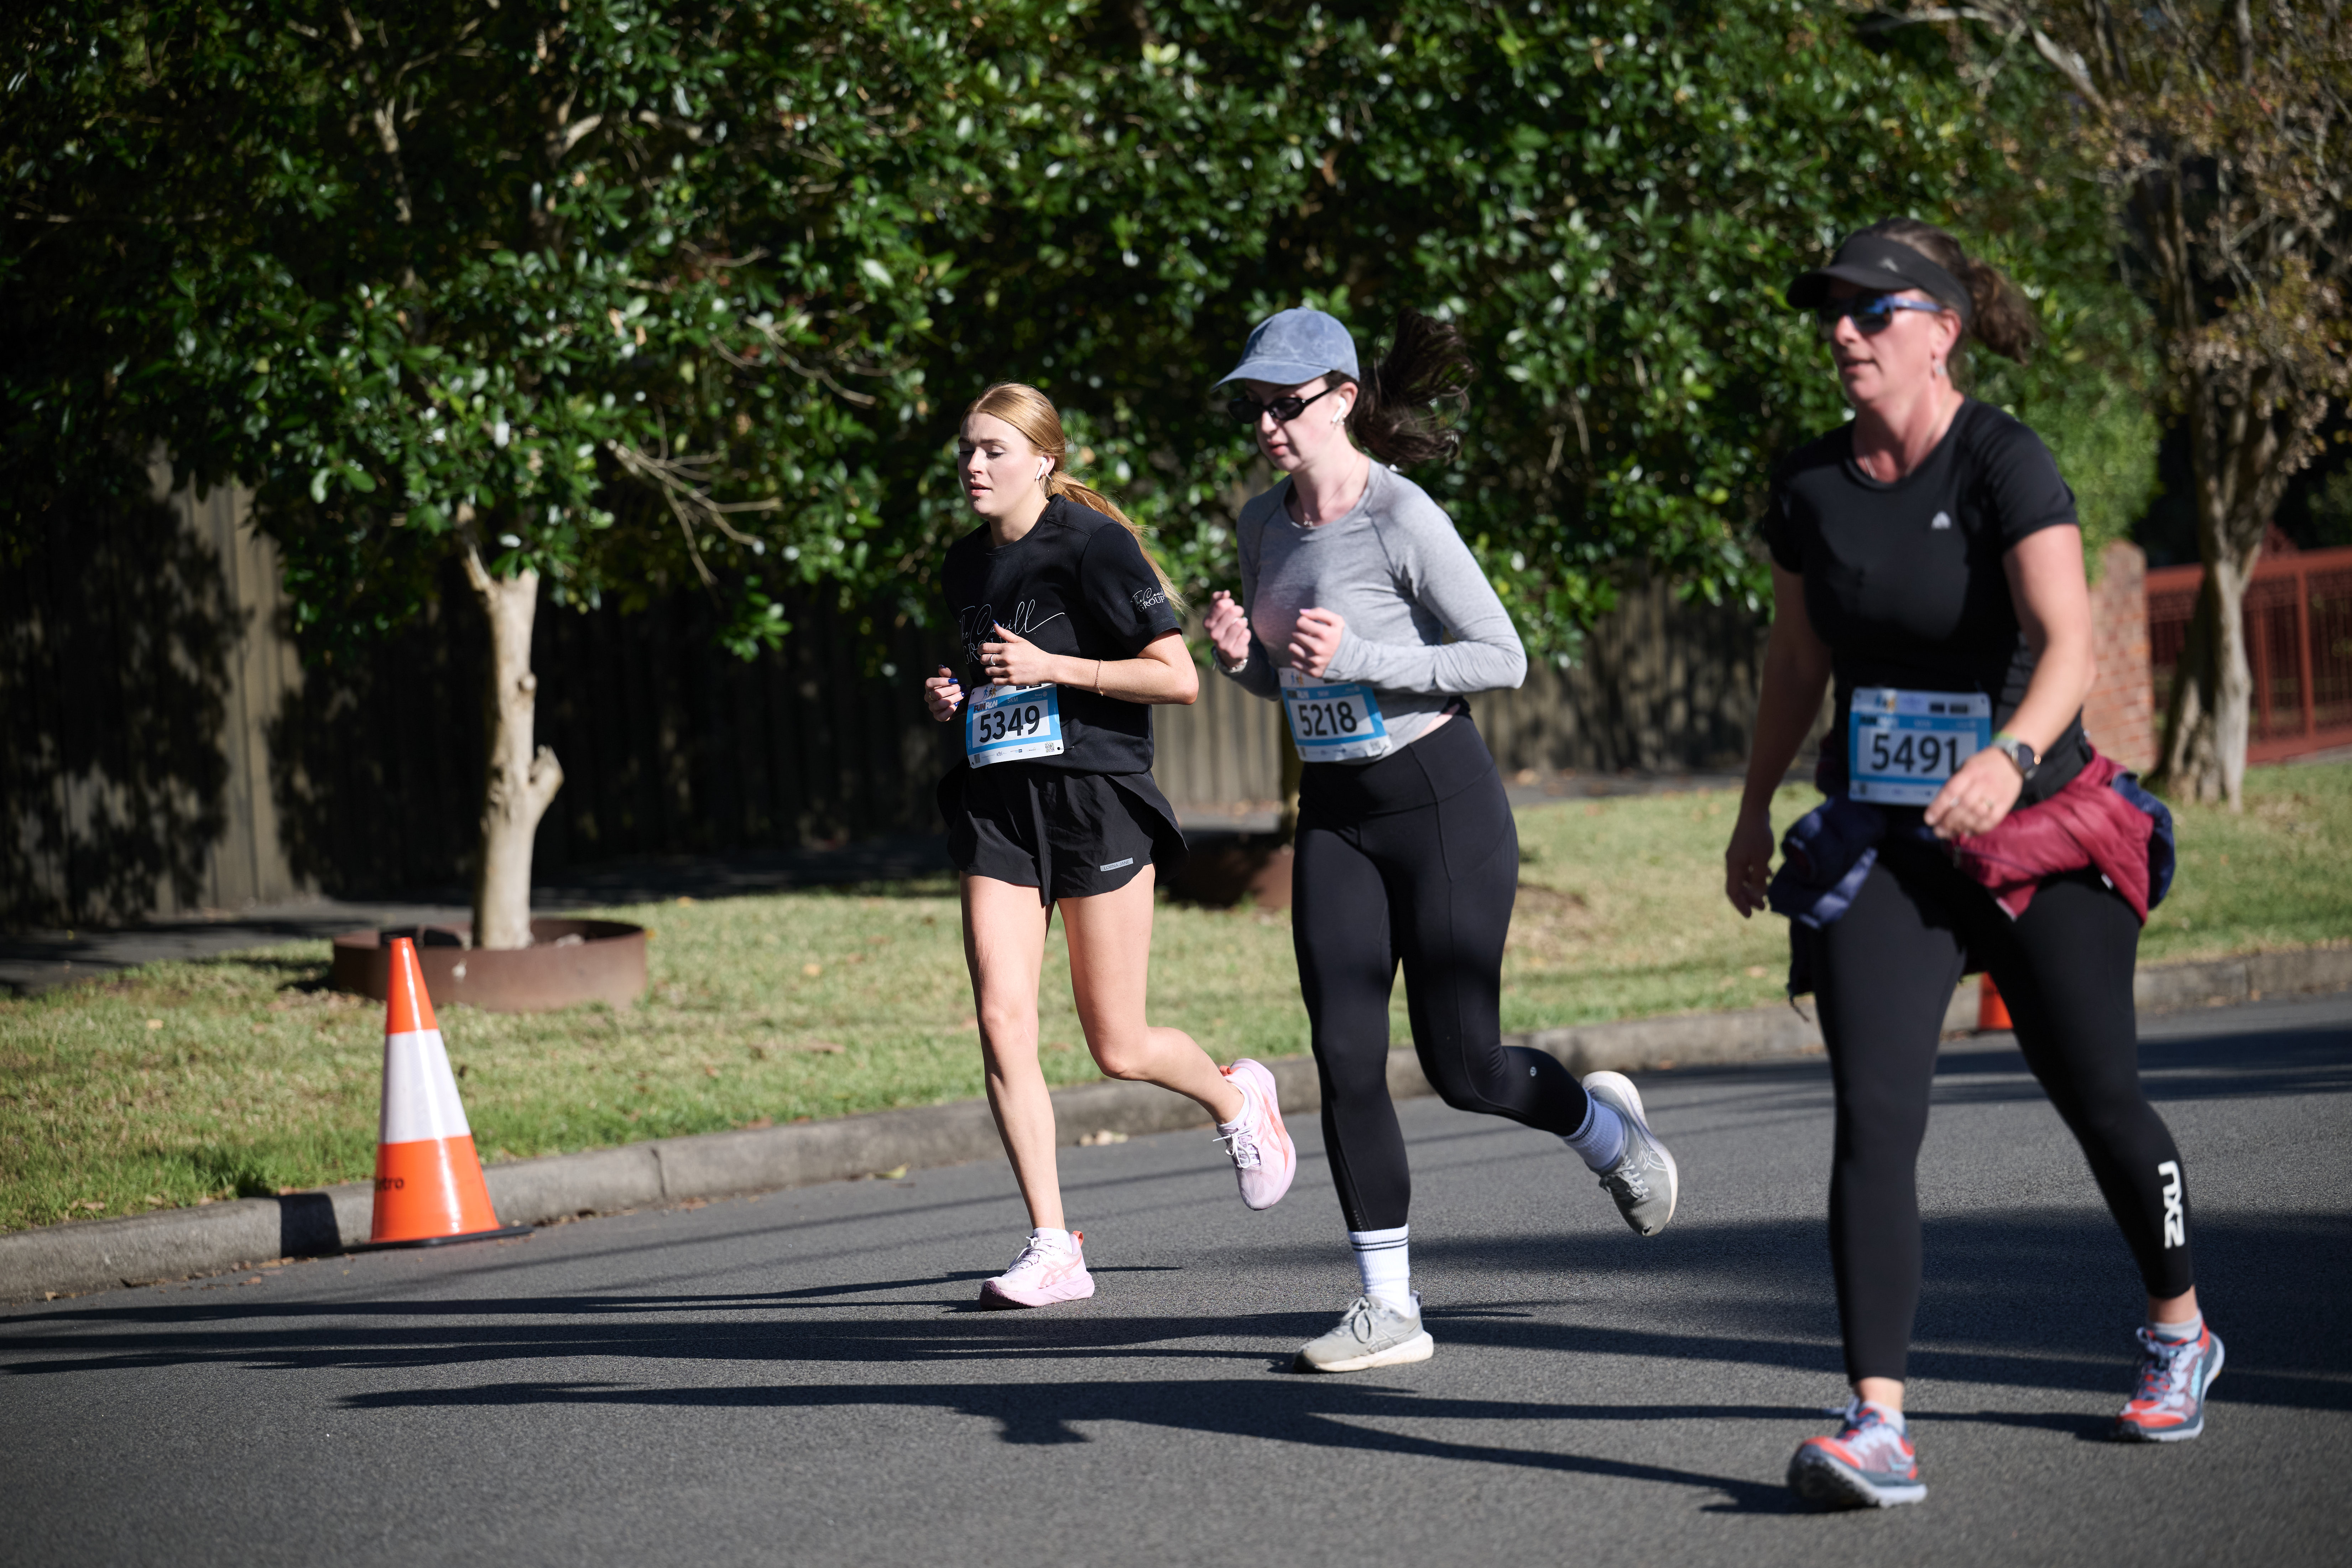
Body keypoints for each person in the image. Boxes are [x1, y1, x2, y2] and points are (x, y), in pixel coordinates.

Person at [1724, 220, 2217, 1509]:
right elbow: (1794, 666)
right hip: (1886, 837)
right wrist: (1752, 804)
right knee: (1876, 1118)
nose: (1843, 330)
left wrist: (2008, 754)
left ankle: (2181, 1324)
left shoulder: (2004, 458)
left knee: (2097, 1092)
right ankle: (1875, 1421)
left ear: (1941, 326)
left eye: (1870, 310)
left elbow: (2070, 641)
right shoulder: (1812, 488)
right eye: (1831, 311)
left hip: (2038, 834)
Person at [1203, 308, 1680, 1374]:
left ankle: (1606, 1132)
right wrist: (1242, 660)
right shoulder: (1262, 525)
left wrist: (1372, 652)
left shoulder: (1402, 515)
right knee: (1343, 1055)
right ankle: (1389, 1306)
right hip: (1334, 811)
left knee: (1463, 1063)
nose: (1270, 425)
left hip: (1436, 799)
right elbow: (1292, 678)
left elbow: (1500, 656)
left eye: (1287, 404)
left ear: (1340, 397)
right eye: (1256, 407)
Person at [924, 382, 1297, 1308]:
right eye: (967, 450)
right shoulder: (963, 567)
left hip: (1097, 803)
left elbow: (1178, 678)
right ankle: (1054, 1244)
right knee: (1002, 1019)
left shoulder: (1095, 546)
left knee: (1118, 1044)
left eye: (994, 450)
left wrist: (1055, 666)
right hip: (1000, 809)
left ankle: (1236, 1096)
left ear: (1043, 460)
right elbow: (990, 676)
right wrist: (956, 698)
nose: (975, 465)